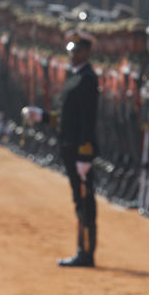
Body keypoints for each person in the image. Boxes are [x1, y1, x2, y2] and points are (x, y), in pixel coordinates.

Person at [22, 30, 100, 267]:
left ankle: (86, 252)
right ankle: (82, 249)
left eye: (77, 51)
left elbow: (87, 119)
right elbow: (67, 117)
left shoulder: (87, 78)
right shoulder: (75, 76)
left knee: (84, 202)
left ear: (87, 52)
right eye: (71, 51)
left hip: (79, 150)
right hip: (69, 145)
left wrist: (85, 154)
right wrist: (43, 117)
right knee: (78, 200)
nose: (73, 55)